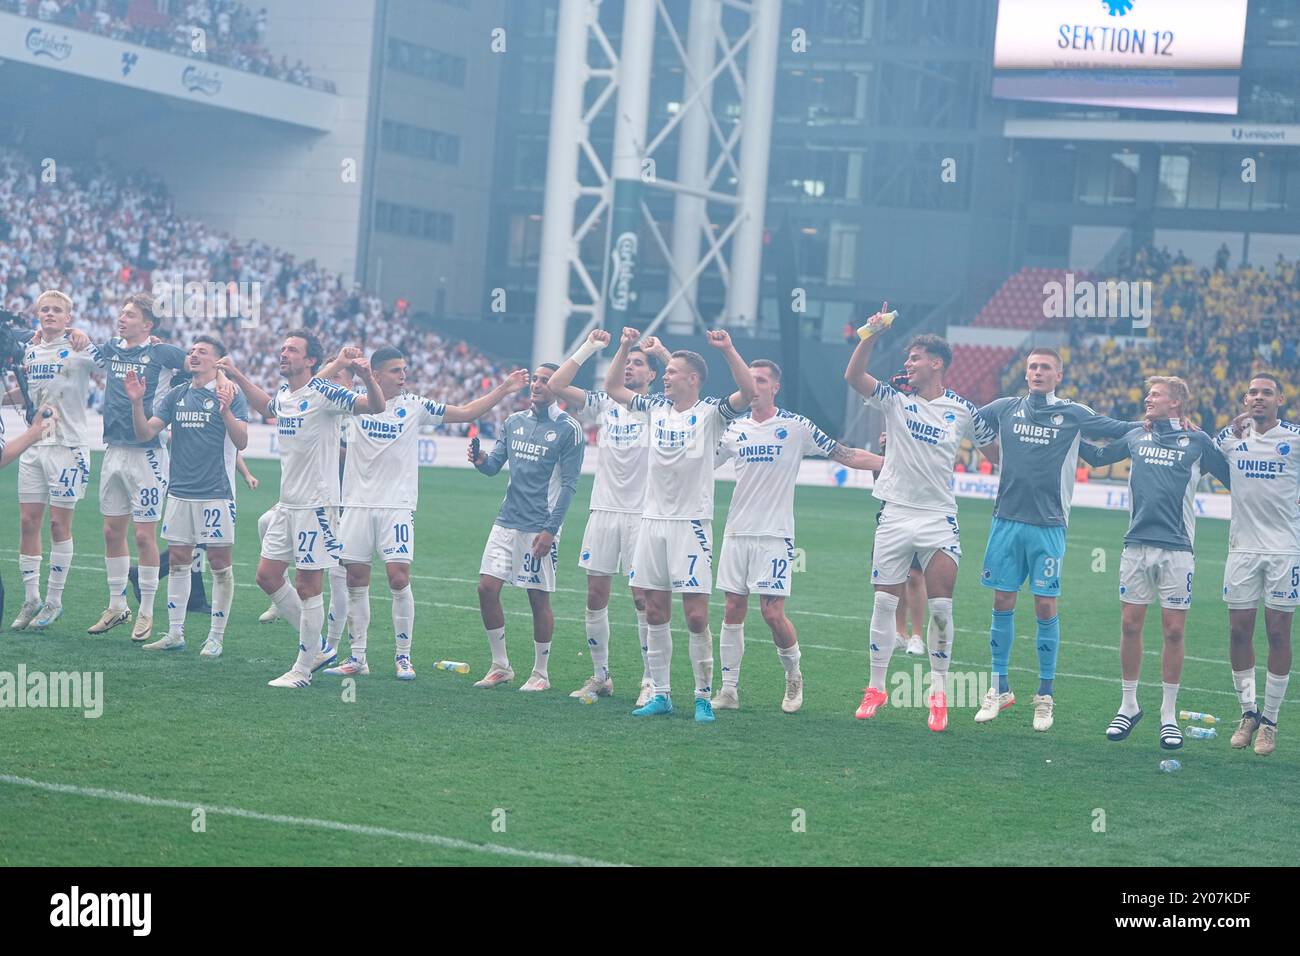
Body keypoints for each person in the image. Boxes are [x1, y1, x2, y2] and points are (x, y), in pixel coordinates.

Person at [324, 348, 525, 680]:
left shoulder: (415, 405)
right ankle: (357, 657)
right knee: (355, 580)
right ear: (375, 374)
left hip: (398, 506)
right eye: (394, 371)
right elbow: (315, 393)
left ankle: (403, 657)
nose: (402, 376)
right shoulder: (353, 403)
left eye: (404, 369)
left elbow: (465, 412)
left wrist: (504, 389)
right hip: (357, 504)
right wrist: (341, 363)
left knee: (398, 578)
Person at [844, 303, 998, 731]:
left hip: (938, 517)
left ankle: (939, 693)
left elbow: (996, 452)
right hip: (894, 513)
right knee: (883, 601)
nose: (907, 364)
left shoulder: (964, 411)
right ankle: (875, 687)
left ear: (936, 363)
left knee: (942, 609)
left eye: (914, 358)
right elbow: (854, 377)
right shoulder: (895, 401)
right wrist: (871, 333)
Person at [971, 347, 1136, 732]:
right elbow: (966, 421)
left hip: (1048, 524)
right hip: (1006, 520)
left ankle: (1045, 695)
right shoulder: (1004, 408)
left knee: (1045, 605)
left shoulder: (1074, 413)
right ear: (1025, 373)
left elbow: (1117, 428)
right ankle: (1000, 688)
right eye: (1033, 366)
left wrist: (1161, 425)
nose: (1038, 372)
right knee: (1001, 599)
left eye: (1046, 367)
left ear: (1058, 375)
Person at [602, 327, 757, 723]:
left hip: (691, 524)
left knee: (695, 616)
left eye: (672, 371)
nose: (664, 374)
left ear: (693, 379)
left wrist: (727, 349)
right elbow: (612, 386)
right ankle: (662, 693)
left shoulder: (711, 415)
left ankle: (703, 696)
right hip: (652, 521)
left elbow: (748, 390)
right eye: (664, 371)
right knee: (654, 610)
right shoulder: (654, 408)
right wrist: (622, 347)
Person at [714, 358, 881, 712]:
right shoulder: (732, 430)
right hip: (736, 531)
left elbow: (844, 453)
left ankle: (793, 677)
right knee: (732, 609)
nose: (753, 385)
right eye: (749, 379)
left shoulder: (795, 426)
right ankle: (729, 689)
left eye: (760, 380)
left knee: (772, 614)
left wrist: (888, 463)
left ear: (775, 386)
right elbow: (698, 463)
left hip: (775, 535)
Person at [218, 334, 382, 687]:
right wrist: (237, 374)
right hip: (288, 504)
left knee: (309, 585)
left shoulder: (325, 393)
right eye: (283, 348)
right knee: (267, 575)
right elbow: (266, 407)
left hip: (316, 505)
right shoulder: (287, 395)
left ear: (310, 361)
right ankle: (318, 646)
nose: (283, 353)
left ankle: (302, 669)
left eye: (292, 350)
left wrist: (366, 376)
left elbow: (374, 406)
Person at [1081, 377, 1231, 750]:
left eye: (1156, 394)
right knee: (1130, 625)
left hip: (1178, 549)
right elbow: (1099, 457)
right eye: (1148, 393)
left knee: (1174, 632)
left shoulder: (1199, 442)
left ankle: (1168, 714)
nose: (1147, 398)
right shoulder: (1137, 435)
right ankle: (1128, 705)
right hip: (1135, 547)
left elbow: (1234, 478)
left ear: (1176, 403)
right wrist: (1065, 435)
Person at [545, 328, 664, 705]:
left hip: (642, 514)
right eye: (626, 363)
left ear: (653, 375)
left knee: (642, 598)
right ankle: (601, 676)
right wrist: (594, 346)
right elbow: (557, 383)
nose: (630, 367)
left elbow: (691, 386)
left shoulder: (660, 408)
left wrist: (661, 350)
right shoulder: (604, 404)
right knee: (595, 595)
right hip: (603, 511)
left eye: (638, 364)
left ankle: (650, 679)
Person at [125, 336, 249, 657]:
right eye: (192, 351)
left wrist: (225, 412)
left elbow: (242, 441)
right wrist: (137, 402)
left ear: (218, 361)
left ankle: (216, 637)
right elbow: (145, 433)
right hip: (179, 492)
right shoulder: (176, 395)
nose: (193, 355)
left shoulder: (230, 395)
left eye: (202, 352)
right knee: (180, 561)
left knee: (220, 565)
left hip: (216, 493)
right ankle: (175, 633)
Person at [469, 364, 585, 691]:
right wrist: (480, 461)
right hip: (506, 520)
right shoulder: (513, 421)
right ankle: (500, 665)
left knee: (537, 599)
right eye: (535, 379)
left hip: (539, 527)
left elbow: (570, 486)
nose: (537, 385)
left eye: (545, 381)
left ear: (558, 388)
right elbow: (494, 467)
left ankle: (541, 673)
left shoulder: (569, 429)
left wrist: (550, 530)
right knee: (486, 588)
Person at [86, 293, 189, 641]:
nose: (122, 318)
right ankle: (117, 605)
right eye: (122, 313)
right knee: (111, 532)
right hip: (113, 449)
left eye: (130, 315)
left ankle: (145, 610)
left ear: (148, 324)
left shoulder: (162, 352)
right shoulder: (111, 348)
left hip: (147, 453)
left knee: (144, 535)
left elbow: (198, 366)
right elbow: (83, 350)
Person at [1215, 376, 1297, 756]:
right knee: (1238, 632)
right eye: (1252, 392)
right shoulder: (1230, 437)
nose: (1258, 398)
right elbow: (1201, 450)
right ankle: (1248, 712)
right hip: (1242, 549)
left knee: (1279, 634)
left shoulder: (1295, 438)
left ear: (1281, 398)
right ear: (1244, 398)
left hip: (1285, 551)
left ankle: (1271, 721)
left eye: (1266, 392)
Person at [9, 291, 95, 630]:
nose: (49, 314)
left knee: (59, 525)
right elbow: (31, 391)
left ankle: (54, 600)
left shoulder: (79, 349)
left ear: (68, 317)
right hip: (35, 445)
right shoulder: (29, 350)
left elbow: (115, 361)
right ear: (37, 314)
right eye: (44, 309)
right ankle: (31, 598)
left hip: (68, 447)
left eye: (57, 310)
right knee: (28, 522)